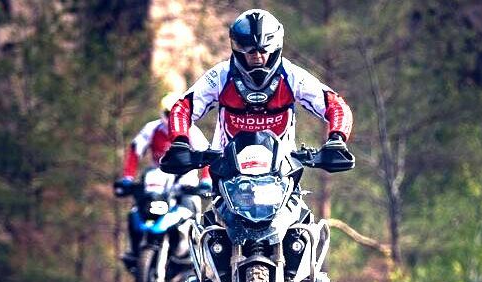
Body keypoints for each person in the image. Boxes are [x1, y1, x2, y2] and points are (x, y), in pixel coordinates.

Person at [166, 8, 352, 159]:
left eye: (263, 50)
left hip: (283, 171)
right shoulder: (220, 76)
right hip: (227, 169)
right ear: (238, 48)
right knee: (210, 198)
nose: (257, 56)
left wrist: (336, 139)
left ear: (275, 47)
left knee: (303, 199)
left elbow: (335, 105)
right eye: (249, 51)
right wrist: (180, 141)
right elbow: (183, 107)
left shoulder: (292, 75)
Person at [114, 92, 210, 268]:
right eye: (168, 114)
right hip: (158, 178)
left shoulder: (192, 131)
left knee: (192, 210)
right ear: (162, 113)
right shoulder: (152, 129)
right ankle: (134, 249)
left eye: (175, 114)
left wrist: (206, 180)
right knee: (136, 209)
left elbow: (206, 154)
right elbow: (135, 150)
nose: (171, 119)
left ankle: (194, 250)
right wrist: (128, 177)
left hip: (185, 179)